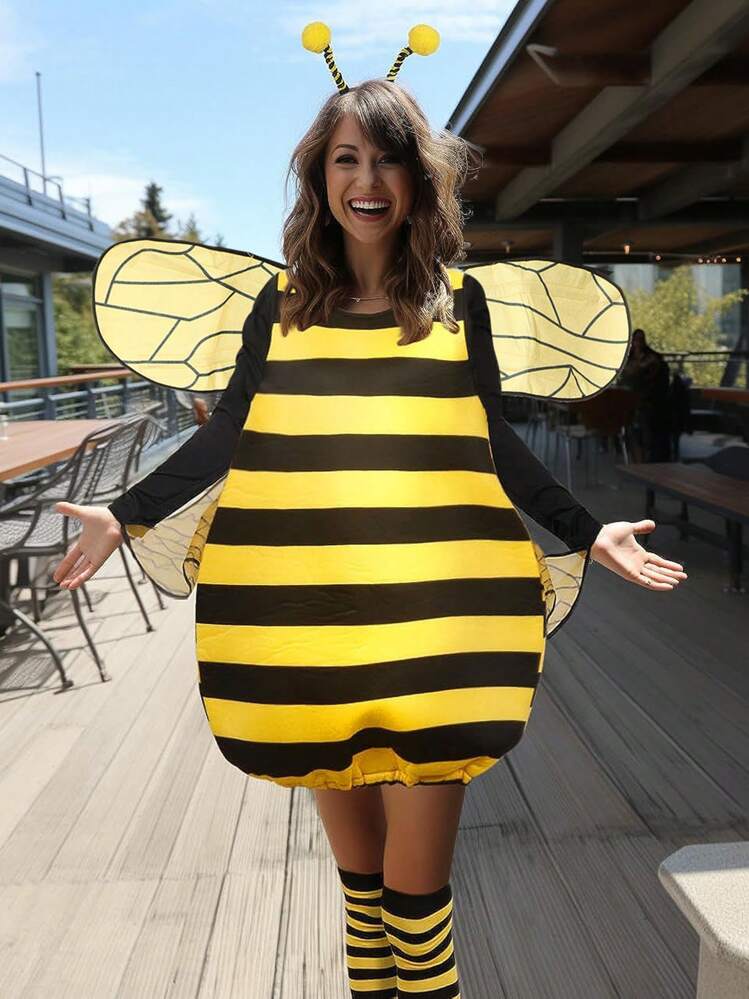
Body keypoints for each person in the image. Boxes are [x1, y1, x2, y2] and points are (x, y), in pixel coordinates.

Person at [51, 24, 686, 999]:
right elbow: (230, 435)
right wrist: (124, 515)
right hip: (308, 626)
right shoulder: (278, 308)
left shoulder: (458, 306)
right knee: (360, 892)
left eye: (387, 158)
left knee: (415, 898)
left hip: (439, 625)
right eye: (346, 157)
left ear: (416, 178)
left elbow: (495, 442)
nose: (367, 178)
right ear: (320, 176)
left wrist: (581, 529)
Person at [620, 328, 672, 461]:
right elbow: (626, 375)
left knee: (645, 428)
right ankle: (636, 455)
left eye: (640, 340)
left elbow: (652, 378)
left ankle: (646, 456)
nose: (638, 343)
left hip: (648, 400)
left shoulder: (652, 359)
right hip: (630, 399)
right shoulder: (629, 359)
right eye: (636, 340)